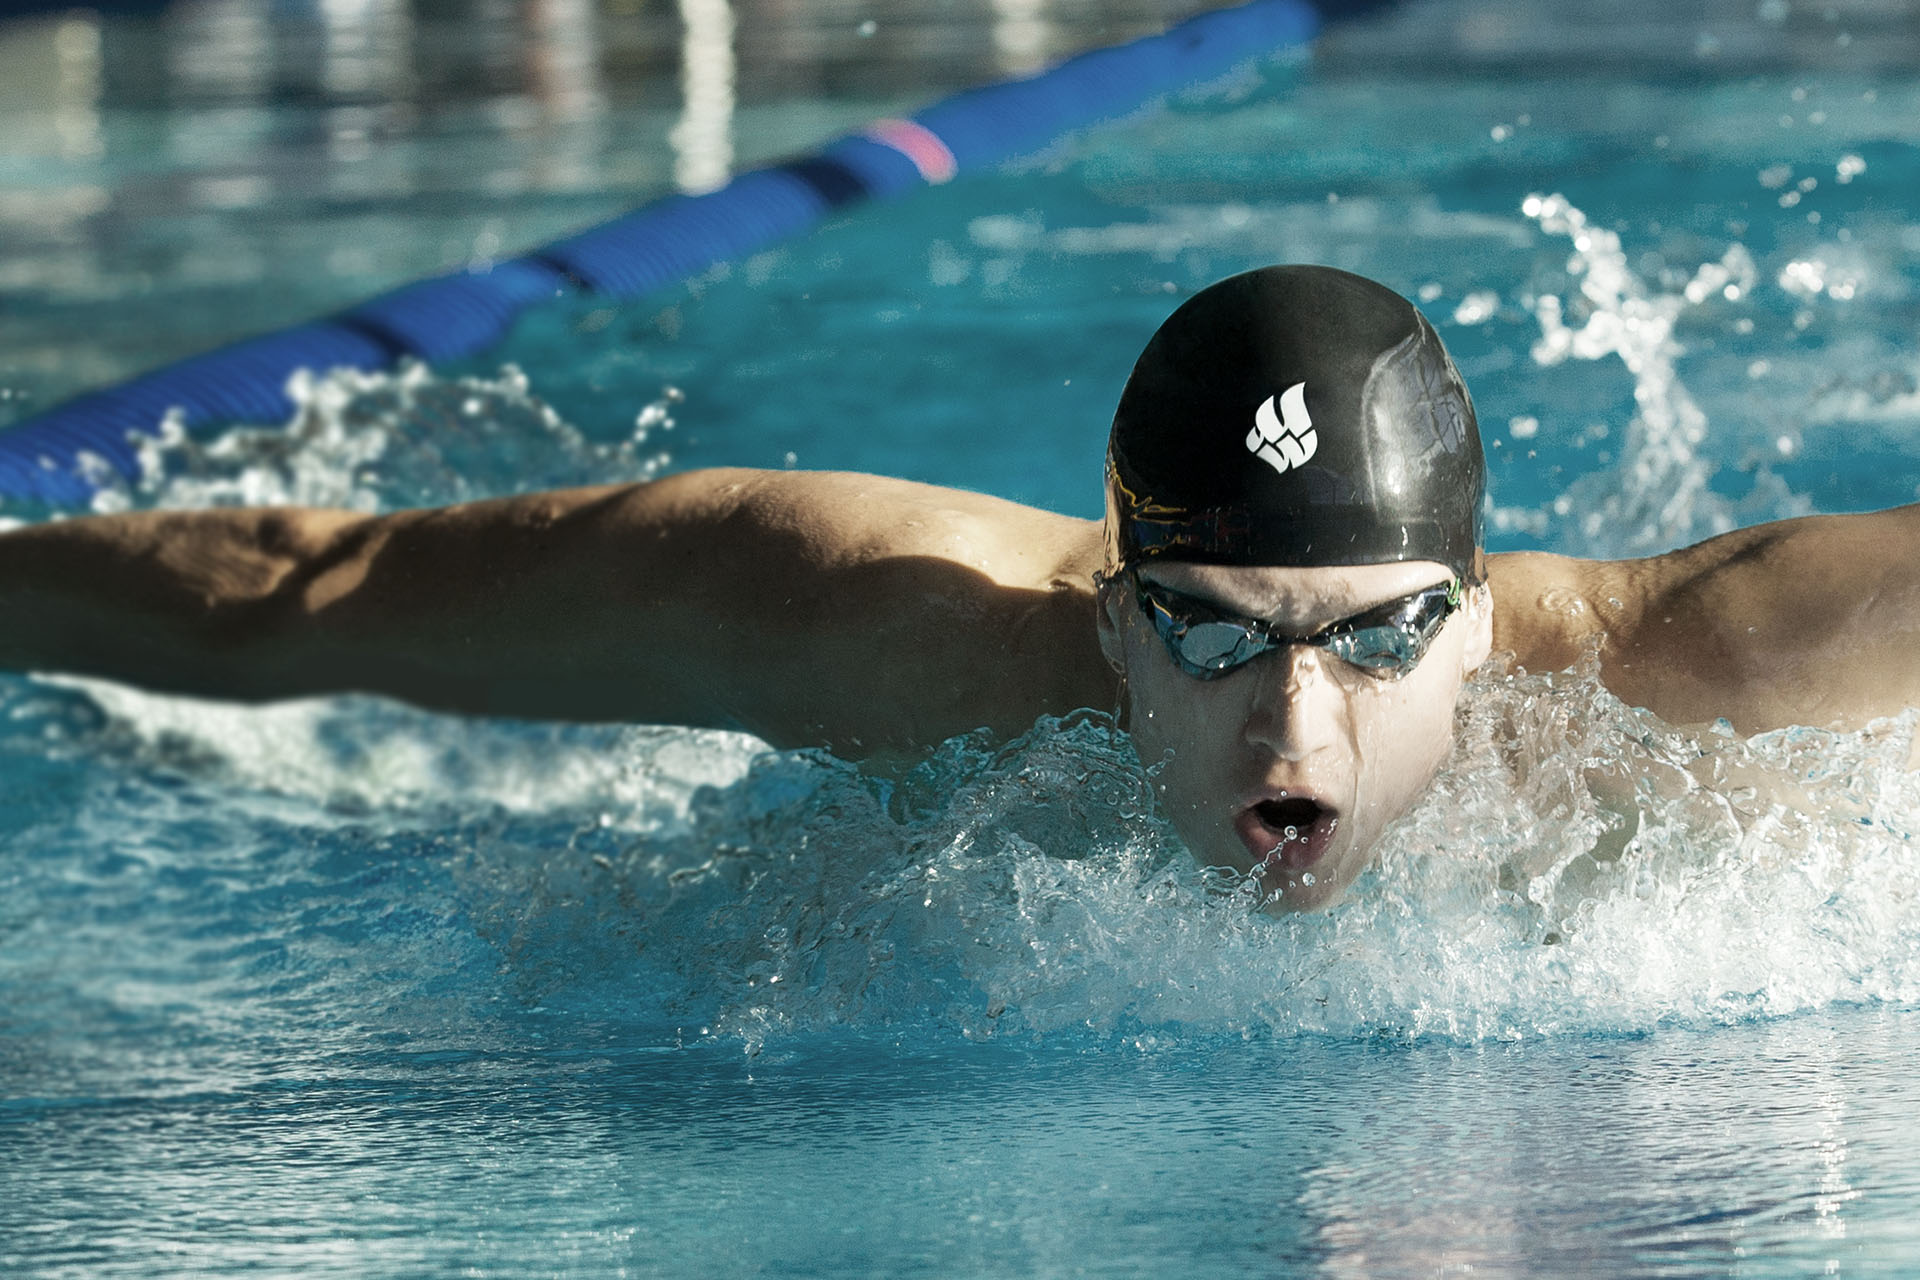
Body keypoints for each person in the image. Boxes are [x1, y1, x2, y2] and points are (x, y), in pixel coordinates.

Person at [3, 264, 1918, 911]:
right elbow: (307, 591)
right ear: (1107, 613)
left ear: (1481, 619)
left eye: (1379, 635)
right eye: (1210, 628)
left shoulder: (1704, 665)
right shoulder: (884, 624)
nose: (1291, 721)